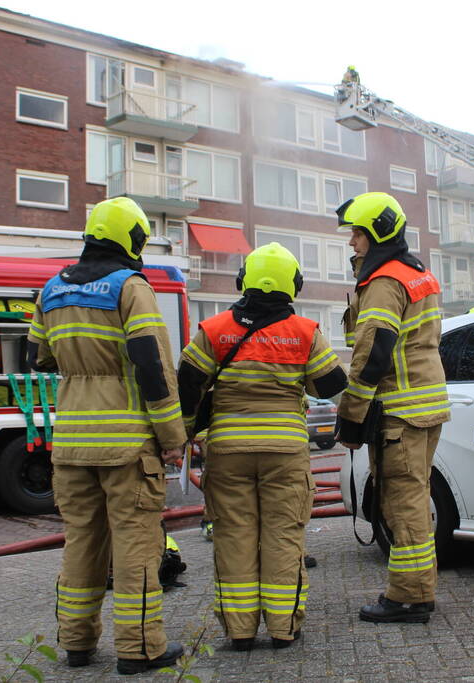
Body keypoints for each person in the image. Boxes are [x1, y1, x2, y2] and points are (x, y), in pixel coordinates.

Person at [27, 196, 186, 676]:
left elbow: (38, 358)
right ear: (132, 238)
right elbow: (151, 366)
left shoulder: (52, 289)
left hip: (72, 442)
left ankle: (76, 644)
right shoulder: (130, 288)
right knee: (136, 546)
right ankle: (139, 649)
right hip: (126, 446)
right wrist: (172, 435)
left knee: (81, 543)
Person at [177, 243, 346, 650]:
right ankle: (284, 628)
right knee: (283, 535)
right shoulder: (306, 333)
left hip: (229, 450)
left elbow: (186, 383)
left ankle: (239, 631)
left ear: (243, 281)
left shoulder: (214, 330)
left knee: (234, 535)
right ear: (294, 285)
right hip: (285, 451)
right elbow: (332, 385)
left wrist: (185, 434)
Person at [334, 192, 450, 624]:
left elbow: (374, 350)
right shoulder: (418, 273)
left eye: (357, 234)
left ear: (377, 233)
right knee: (414, 495)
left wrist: (351, 416)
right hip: (424, 404)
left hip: (399, 408)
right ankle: (414, 590)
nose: (351, 243)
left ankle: (409, 596)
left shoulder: (384, 282)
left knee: (403, 503)